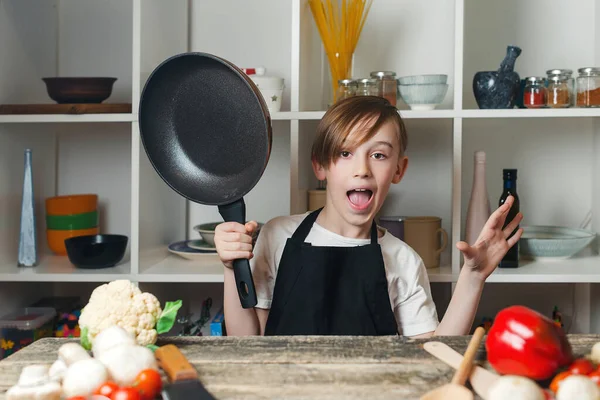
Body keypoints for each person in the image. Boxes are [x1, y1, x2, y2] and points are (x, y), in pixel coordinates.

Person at [215, 95, 523, 337]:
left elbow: (434, 358)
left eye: (378, 155)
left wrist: (472, 278)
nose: (362, 169)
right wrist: (231, 268)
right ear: (320, 166)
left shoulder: (404, 261)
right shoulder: (277, 235)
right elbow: (248, 339)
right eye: (345, 153)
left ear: (399, 169)